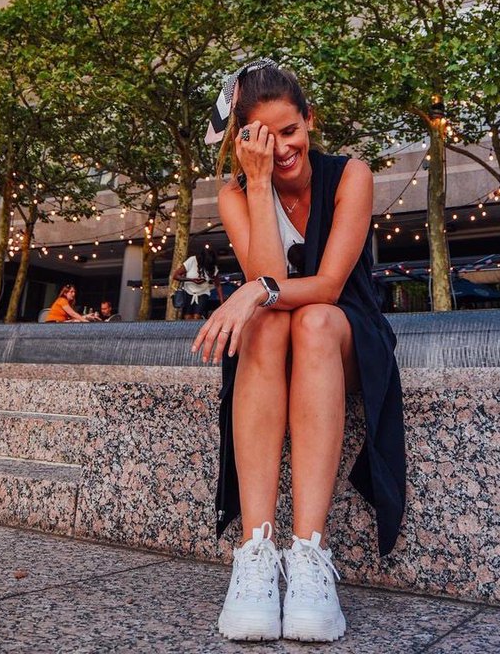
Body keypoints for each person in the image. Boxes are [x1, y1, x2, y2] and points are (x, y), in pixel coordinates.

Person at [194, 60, 405, 644]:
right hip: (273, 344)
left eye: (291, 131)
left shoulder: (351, 176)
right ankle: (255, 557)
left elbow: (330, 287)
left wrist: (254, 291)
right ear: (244, 141)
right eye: (264, 136)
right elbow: (265, 277)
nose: (282, 148)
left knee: (309, 320)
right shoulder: (236, 193)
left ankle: (310, 558)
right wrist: (258, 184)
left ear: (310, 120)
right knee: (265, 327)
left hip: (344, 336)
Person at [174, 250, 223, 320]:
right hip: (188, 292)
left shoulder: (212, 267)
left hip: (203, 292)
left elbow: (218, 285)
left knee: (196, 317)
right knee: (187, 318)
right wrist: (191, 280)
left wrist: (222, 303)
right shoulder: (192, 261)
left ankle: (199, 323)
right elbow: (176, 276)